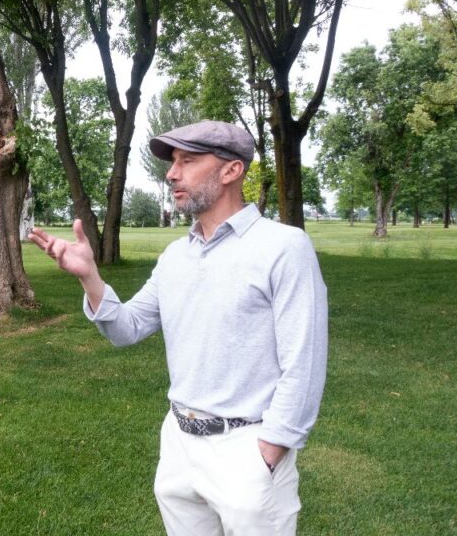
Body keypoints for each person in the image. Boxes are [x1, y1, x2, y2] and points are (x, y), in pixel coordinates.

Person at [28, 120, 328, 535]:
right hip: (179, 447)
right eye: (173, 162)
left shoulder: (284, 248)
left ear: (231, 171)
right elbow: (127, 328)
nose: (172, 173)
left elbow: (305, 362)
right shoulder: (174, 257)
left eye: (187, 161)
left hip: (247, 450)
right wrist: (90, 277)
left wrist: (271, 449)